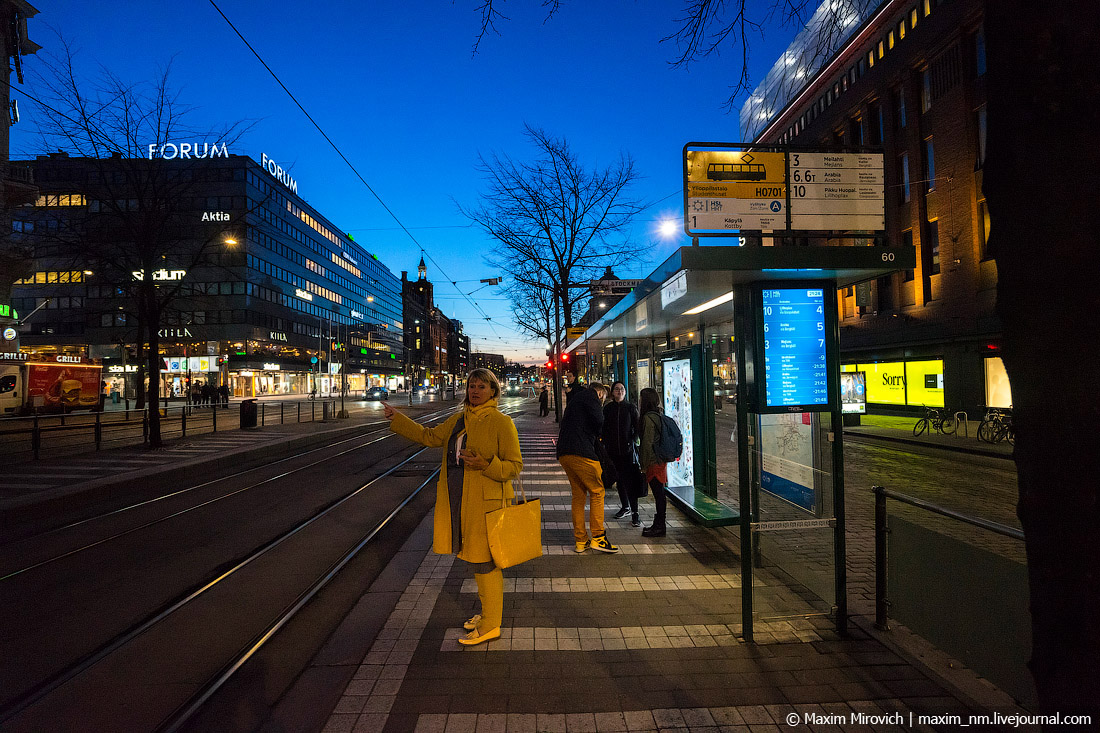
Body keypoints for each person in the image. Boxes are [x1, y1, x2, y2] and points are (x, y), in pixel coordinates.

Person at [383, 368, 523, 645]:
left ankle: (492, 624)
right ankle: (487, 614)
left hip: (487, 503)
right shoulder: (459, 420)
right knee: (475, 560)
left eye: (482, 386)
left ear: (493, 391)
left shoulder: (501, 422)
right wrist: (398, 419)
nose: (475, 391)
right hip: (460, 500)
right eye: (472, 385)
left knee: (485, 563)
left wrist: (486, 464)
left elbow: (515, 467)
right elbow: (429, 437)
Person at [557, 380, 619, 554]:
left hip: (564, 453)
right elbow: (599, 421)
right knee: (597, 491)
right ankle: (598, 537)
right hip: (581, 452)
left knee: (578, 496)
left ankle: (581, 540)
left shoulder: (576, 399)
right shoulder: (591, 396)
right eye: (603, 398)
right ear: (600, 393)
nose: (602, 401)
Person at [602, 381, 643, 527]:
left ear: (625, 392)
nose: (620, 391)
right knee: (619, 480)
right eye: (617, 389)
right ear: (612, 392)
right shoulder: (608, 409)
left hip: (627, 452)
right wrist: (606, 444)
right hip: (613, 452)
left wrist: (632, 441)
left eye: (622, 389)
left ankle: (635, 513)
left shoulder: (630, 408)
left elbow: (637, 428)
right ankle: (625, 507)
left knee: (630, 482)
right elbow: (604, 428)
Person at [638, 387, 669, 537]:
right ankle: (659, 524)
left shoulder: (648, 418)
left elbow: (647, 444)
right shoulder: (658, 414)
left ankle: (660, 526)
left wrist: (643, 465)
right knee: (659, 493)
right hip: (660, 460)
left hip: (653, 461)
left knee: (659, 493)